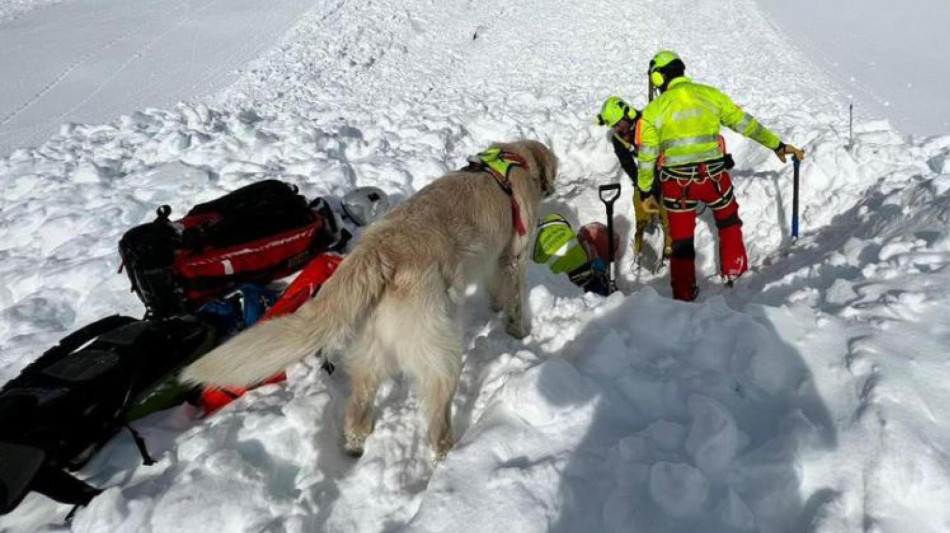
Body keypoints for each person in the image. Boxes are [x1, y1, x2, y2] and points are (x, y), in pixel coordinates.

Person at [636, 51, 805, 301]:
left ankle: (684, 294)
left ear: (659, 78)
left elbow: (647, 156)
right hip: (714, 180)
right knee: (728, 223)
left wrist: (645, 191)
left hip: (677, 185)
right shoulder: (710, 95)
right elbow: (747, 124)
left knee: (681, 241)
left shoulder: (653, 111)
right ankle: (734, 274)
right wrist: (778, 146)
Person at [597, 96, 673, 263]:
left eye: (618, 124)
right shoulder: (619, 139)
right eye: (613, 126)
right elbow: (628, 164)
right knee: (641, 207)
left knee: (668, 213)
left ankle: (669, 249)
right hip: (644, 177)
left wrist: (658, 181)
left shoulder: (649, 122)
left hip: (666, 172)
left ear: (627, 114)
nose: (616, 129)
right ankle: (642, 251)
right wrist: (643, 185)